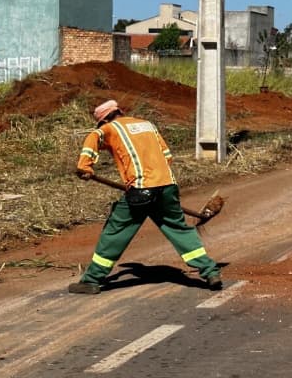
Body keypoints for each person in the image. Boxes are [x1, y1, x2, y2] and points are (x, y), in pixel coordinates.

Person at [69, 99, 222, 294]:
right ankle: (209, 271)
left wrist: (85, 166)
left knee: (115, 232)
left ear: (105, 119)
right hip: (167, 185)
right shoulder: (147, 125)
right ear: (120, 111)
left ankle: (91, 280)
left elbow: (95, 135)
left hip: (141, 189)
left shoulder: (110, 128)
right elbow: (167, 156)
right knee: (179, 229)